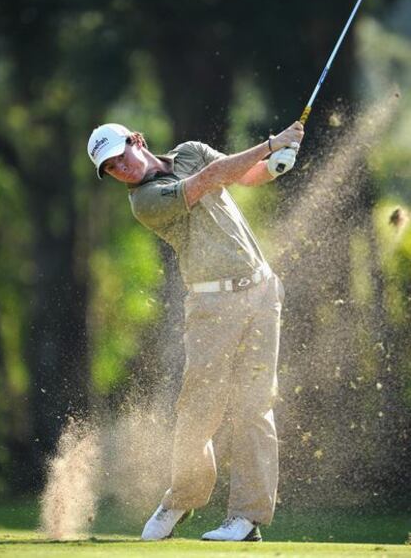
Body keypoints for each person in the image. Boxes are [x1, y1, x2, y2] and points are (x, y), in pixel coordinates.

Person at [87, 120, 304, 541]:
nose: (120, 170)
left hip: (261, 293)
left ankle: (246, 519)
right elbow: (206, 181)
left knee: (254, 408)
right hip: (211, 305)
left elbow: (243, 175)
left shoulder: (191, 149)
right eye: (110, 169)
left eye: (120, 157)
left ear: (138, 140)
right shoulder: (145, 201)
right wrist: (271, 143)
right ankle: (181, 499)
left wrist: (275, 165)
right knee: (197, 413)